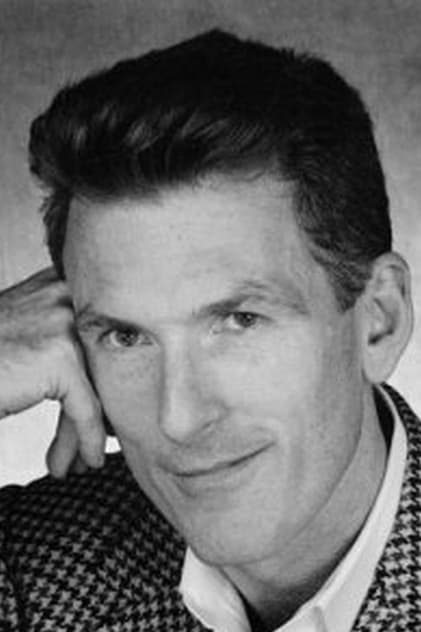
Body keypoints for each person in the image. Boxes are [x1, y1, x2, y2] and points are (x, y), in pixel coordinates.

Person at [0, 29, 419, 632]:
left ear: (379, 320)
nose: (179, 419)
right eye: (126, 337)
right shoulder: (32, 570)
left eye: (239, 321)